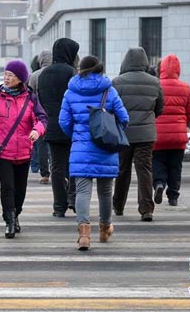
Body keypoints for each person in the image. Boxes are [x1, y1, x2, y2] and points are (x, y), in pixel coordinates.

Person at [59, 56, 129, 250]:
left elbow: (63, 122)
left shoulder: (70, 92)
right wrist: (111, 131)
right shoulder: (109, 90)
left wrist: (78, 135)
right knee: (105, 192)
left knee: (82, 191)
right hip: (106, 147)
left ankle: (84, 235)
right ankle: (105, 228)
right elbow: (124, 118)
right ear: (100, 69)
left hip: (80, 148)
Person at [0, 60, 48, 238]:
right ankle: (9, 220)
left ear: (20, 79)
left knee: (20, 189)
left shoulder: (31, 99)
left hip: (24, 151)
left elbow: (42, 119)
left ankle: (16, 213)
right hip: (2, 152)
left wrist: (37, 131)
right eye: (6, 74)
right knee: (7, 187)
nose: (6, 78)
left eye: (10, 75)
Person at [112, 47, 164, 222]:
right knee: (144, 170)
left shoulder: (117, 82)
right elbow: (160, 108)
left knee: (122, 169)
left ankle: (118, 205)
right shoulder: (154, 82)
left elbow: (111, 108)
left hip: (123, 133)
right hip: (146, 134)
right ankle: (146, 209)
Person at [37, 38, 79, 217]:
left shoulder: (44, 74)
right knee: (74, 163)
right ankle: (74, 199)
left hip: (51, 125)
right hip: (71, 126)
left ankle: (59, 206)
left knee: (56, 166)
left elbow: (40, 99)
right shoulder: (72, 72)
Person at [152, 54, 190, 206]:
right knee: (175, 166)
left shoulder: (155, 85)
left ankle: (159, 184)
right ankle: (173, 196)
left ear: (161, 68)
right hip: (178, 135)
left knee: (157, 162)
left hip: (158, 134)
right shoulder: (185, 87)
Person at [28, 50, 53, 184]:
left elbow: (30, 96)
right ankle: (58, 170)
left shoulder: (34, 75)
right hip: (56, 114)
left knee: (41, 145)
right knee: (55, 144)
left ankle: (44, 174)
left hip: (39, 115)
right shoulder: (57, 72)